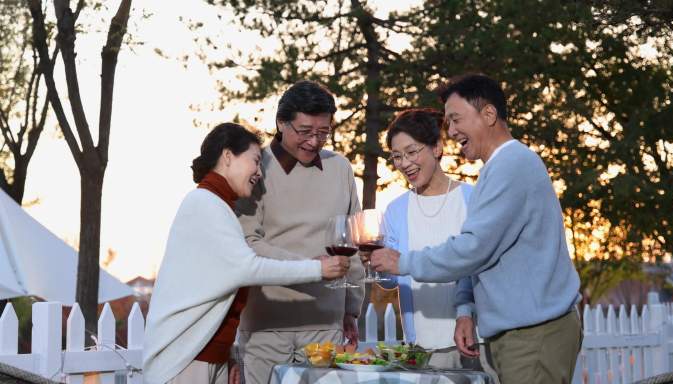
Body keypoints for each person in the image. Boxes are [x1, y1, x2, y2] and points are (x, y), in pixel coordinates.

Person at [371, 74, 582, 384]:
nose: (452, 130)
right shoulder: (501, 167)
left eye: (456, 119)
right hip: (524, 334)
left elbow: (473, 249)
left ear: (488, 114)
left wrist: (401, 262)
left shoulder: (510, 165)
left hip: (533, 336)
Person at [143, 123, 351, 384]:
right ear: (228, 156)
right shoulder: (203, 203)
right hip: (185, 359)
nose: (259, 173)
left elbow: (214, 292)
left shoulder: (219, 206)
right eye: (255, 161)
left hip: (207, 356)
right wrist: (317, 269)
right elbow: (247, 269)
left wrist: (227, 353)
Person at [235, 80, 365, 384]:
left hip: (325, 324)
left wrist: (352, 309)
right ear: (281, 123)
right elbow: (247, 242)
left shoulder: (340, 169)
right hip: (264, 325)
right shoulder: (255, 167)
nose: (314, 141)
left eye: (323, 132)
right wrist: (313, 268)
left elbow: (354, 241)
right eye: (305, 131)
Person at [375, 108, 476, 369]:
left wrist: (467, 313)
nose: (404, 163)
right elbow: (390, 281)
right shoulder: (396, 210)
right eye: (397, 156)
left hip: (475, 338)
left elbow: (479, 266)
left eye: (411, 152)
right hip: (422, 347)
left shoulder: (471, 198)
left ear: (437, 148)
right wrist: (376, 261)